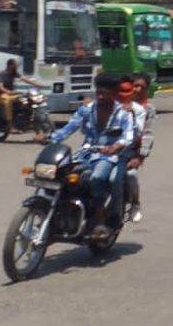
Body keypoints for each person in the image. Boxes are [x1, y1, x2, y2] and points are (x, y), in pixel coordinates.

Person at [50, 73, 135, 238]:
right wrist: (50, 138)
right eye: (98, 93)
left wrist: (115, 146)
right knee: (60, 174)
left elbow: (128, 137)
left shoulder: (124, 114)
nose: (100, 96)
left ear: (114, 94)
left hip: (108, 157)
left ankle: (99, 217)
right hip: (86, 153)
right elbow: (69, 128)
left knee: (97, 178)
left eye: (105, 93)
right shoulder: (86, 110)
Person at [123, 72, 156, 223]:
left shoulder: (148, 109)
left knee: (131, 175)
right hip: (113, 148)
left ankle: (135, 203)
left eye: (141, 87)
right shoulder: (120, 103)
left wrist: (140, 156)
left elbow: (148, 133)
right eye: (134, 86)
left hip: (133, 151)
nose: (137, 90)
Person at [0, 58, 45, 141]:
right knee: (8, 102)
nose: (17, 66)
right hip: (3, 95)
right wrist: (8, 92)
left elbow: (25, 79)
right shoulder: (2, 75)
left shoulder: (14, 73)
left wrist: (37, 85)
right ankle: (10, 125)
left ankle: (28, 119)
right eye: (15, 65)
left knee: (27, 98)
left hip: (13, 94)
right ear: (10, 65)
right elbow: (0, 87)